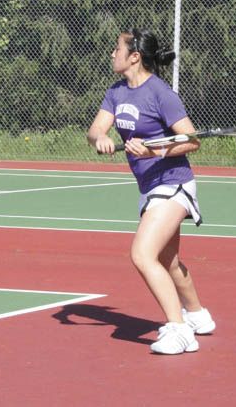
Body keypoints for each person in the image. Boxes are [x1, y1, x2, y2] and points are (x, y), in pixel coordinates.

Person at [87, 28, 215, 355]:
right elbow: (96, 129)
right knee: (168, 260)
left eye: (116, 48)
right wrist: (100, 138)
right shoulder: (116, 92)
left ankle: (180, 329)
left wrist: (153, 151)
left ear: (134, 56)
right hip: (150, 187)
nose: (111, 53)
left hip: (174, 182)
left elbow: (191, 140)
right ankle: (198, 315)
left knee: (142, 255)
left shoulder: (161, 93)